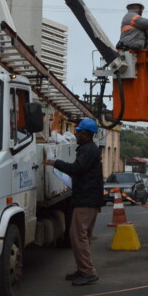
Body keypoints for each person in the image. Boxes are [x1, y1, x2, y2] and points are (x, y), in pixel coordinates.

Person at [43, 118, 104, 286]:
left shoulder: (88, 150)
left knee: (78, 236)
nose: (76, 134)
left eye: (79, 132)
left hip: (86, 200)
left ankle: (88, 273)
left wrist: (57, 163)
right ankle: (83, 269)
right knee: (79, 236)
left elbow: (77, 169)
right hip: (88, 198)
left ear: (86, 134)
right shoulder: (88, 149)